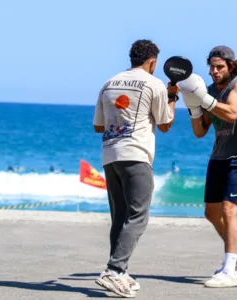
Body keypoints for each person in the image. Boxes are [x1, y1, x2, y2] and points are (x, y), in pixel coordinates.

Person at [92, 39, 179, 298]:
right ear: (152, 62)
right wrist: (172, 97)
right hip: (136, 154)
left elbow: (98, 126)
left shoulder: (109, 83)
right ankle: (114, 269)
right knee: (139, 215)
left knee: (120, 216)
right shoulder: (154, 84)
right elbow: (165, 124)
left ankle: (120, 272)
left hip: (110, 155)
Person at [179, 45, 237, 288]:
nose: (214, 71)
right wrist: (193, 107)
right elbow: (199, 131)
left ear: (231, 66)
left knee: (229, 209)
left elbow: (233, 113)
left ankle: (229, 271)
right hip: (218, 157)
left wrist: (203, 98)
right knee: (211, 212)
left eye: (220, 67)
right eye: (212, 67)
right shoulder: (209, 90)